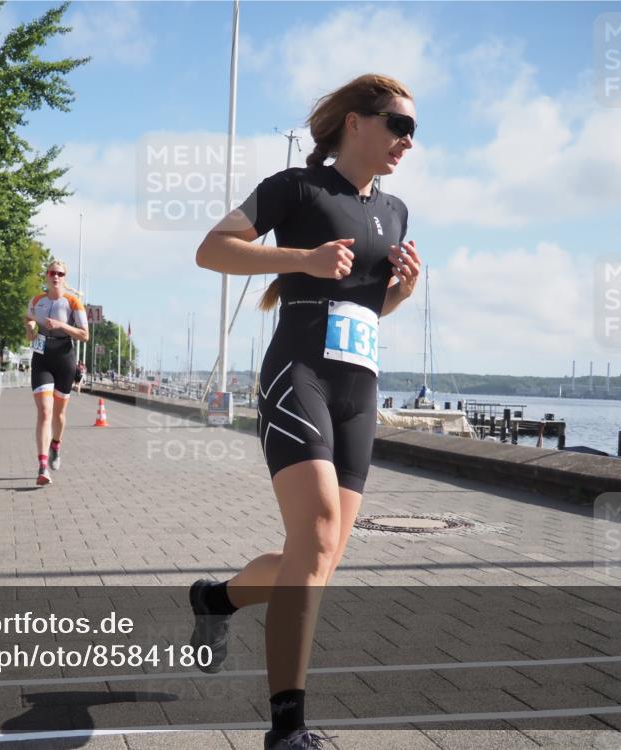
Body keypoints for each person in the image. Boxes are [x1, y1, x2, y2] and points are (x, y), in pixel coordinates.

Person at [192, 74, 421, 750]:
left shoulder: (397, 212)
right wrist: (304, 259)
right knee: (317, 534)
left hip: (360, 389)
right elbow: (212, 249)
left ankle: (216, 599)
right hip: (300, 375)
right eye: (397, 125)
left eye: (414, 131)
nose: (407, 141)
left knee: (313, 557)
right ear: (356, 122)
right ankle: (286, 729)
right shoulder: (295, 188)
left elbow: (367, 309)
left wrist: (403, 292)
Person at [25, 260, 89, 485]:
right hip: (42, 357)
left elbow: (84, 335)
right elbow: (29, 331)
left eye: (60, 273)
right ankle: (42, 466)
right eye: (52, 272)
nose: (55, 276)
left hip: (64, 357)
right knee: (44, 411)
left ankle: (56, 444)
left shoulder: (73, 302)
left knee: (59, 415)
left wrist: (62, 326)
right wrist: (31, 328)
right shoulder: (36, 301)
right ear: (46, 276)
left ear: (64, 277)